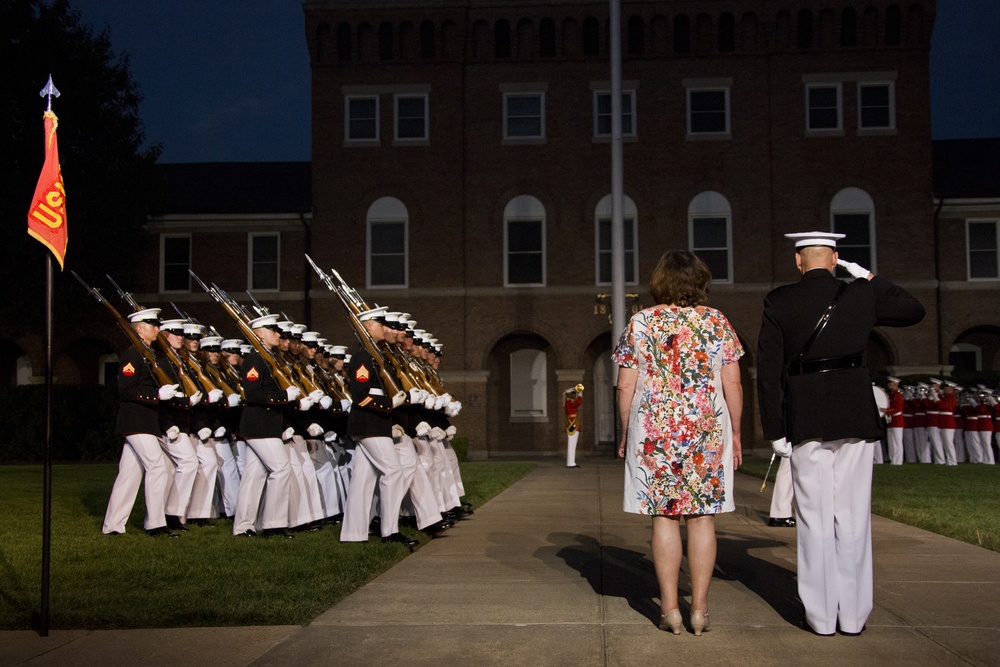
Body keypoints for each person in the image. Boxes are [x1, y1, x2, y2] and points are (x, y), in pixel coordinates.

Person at [757, 231, 925, 636]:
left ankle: (820, 618)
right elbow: (912, 309)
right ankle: (852, 617)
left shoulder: (779, 300)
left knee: (813, 520)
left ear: (799, 262)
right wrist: (867, 276)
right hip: (853, 413)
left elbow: (767, 371)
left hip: (806, 414)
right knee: (852, 518)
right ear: (835, 258)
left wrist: (774, 428)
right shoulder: (860, 294)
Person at [613, 249, 744, 636]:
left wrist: (625, 429)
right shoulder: (717, 322)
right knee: (702, 518)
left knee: (664, 517)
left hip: (656, 431)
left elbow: (625, 384)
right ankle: (699, 609)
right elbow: (732, 382)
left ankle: (669, 608)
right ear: (701, 282)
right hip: (704, 429)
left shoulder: (640, 323)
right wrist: (736, 431)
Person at [102, 308, 176, 537]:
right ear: (140, 329)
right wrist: (156, 395)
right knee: (157, 466)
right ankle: (155, 524)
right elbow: (126, 390)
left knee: (129, 475)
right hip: (135, 421)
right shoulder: (133, 354)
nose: (158, 329)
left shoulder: (147, 354)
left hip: (144, 421)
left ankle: (113, 525)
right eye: (153, 325)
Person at [232, 313, 294, 538]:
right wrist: (284, 396)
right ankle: (273, 525)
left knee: (254, 477)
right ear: (259, 333)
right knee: (281, 468)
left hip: (265, 425)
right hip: (260, 425)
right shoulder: (255, 360)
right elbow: (253, 394)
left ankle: (243, 527)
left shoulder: (268, 358)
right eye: (273, 330)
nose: (278, 334)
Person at [564, 385, 583, 468]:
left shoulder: (569, 401)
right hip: (572, 425)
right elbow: (578, 403)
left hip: (574, 424)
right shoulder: (569, 402)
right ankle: (570, 462)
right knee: (572, 444)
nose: (574, 395)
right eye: (573, 394)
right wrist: (580, 394)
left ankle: (571, 462)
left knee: (573, 444)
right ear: (569, 394)